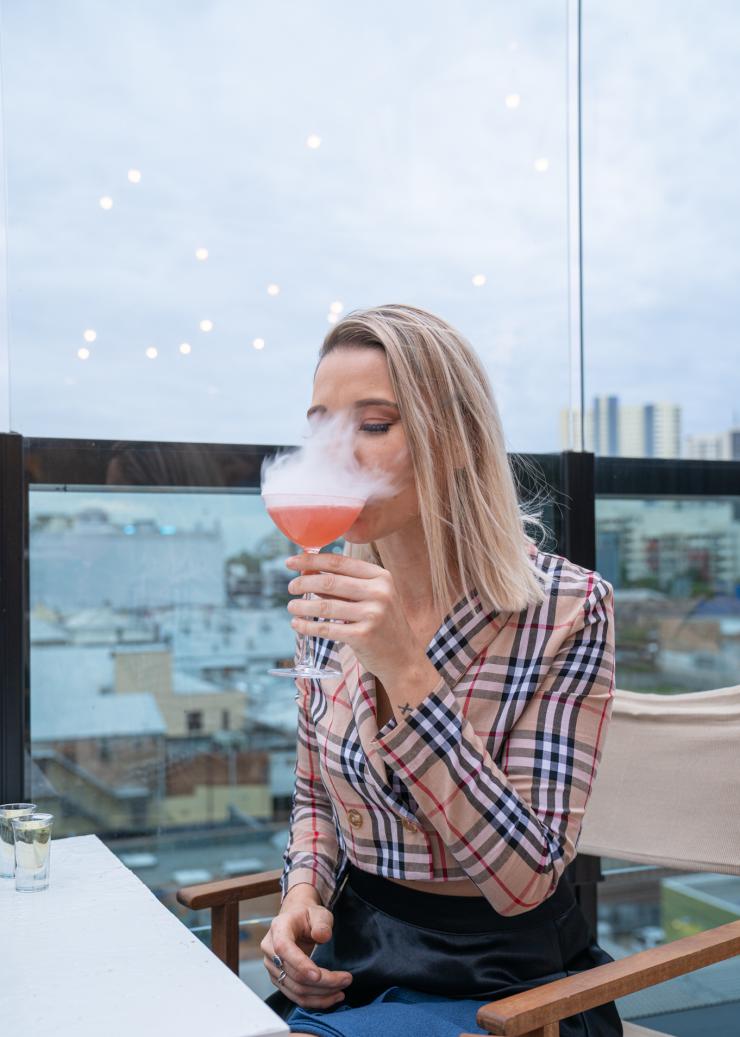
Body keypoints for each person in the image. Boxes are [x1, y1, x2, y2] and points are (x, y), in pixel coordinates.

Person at [261, 304, 622, 1037]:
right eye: (322, 426)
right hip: (356, 959)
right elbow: (315, 794)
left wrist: (403, 666)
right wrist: (301, 892)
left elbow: (527, 880)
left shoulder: (570, 609)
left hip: (508, 985)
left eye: (373, 424)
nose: (337, 453)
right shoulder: (334, 594)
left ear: (455, 438)